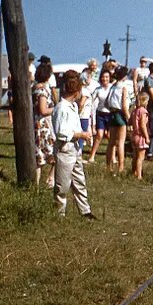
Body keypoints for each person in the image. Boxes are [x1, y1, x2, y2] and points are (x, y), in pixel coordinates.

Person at [52, 76, 95, 219]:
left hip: (75, 148)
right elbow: (61, 132)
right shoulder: (61, 108)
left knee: (79, 180)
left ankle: (85, 211)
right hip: (65, 148)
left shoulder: (74, 106)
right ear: (76, 92)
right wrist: (81, 134)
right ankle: (59, 214)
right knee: (62, 185)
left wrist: (82, 135)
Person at [32, 63, 56, 186]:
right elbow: (43, 110)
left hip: (37, 124)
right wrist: (56, 109)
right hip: (43, 126)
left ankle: (36, 184)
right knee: (52, 153)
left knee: (39, 156)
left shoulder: (34, 87)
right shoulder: (42, 90)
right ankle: (50, 180)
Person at [105, 66, 132, 174]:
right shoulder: (123, 88)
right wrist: (129, 118)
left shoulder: (112, 86)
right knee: (120, 142)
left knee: (111, 142)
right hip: (120, 114)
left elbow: (107, 102)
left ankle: (108, 166)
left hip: (112, 113)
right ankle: (121, 166)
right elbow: (124, 105)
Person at [86, 69, 111, 164]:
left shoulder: (112, 88)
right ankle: (91, 156)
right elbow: (91, 99)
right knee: (99, 135)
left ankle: (112, 157)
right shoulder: (98, 89)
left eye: (107, 77)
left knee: (109, 136)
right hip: (100, 113)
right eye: (103, 77)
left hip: (110, 114)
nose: (105, 79)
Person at [130, 92, 150, 180]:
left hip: (134, 134)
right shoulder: (143, 111)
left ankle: (133, 171)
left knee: (135, 156)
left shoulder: (134, 111)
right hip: (141, 135)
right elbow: (142, 125)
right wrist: (147, 137)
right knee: (140, 157)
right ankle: (139, 175)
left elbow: (130, 121)